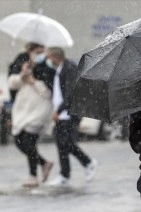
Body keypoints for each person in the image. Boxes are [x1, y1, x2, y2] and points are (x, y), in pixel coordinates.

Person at [46, 47, 97, 186]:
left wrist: (58, 110)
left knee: (67, 143)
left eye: (49, 57)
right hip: (62, 114)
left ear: (56, 56)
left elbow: (70, 94)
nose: (48, 60)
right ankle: (65, 175)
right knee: (61, 143)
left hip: (69, 113)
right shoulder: (60, 68)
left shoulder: (69, 68)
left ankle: (88, 162)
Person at [8, 61, 54, 187]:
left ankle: (33, 175)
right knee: (19, 141)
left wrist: (33, 82)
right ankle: (44, 163)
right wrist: (23, 74)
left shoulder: (45, 73)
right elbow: (12, 84)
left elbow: (47, 94)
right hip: (22, 116)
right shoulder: (23, 70)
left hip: (37, 116)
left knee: (29, 143)